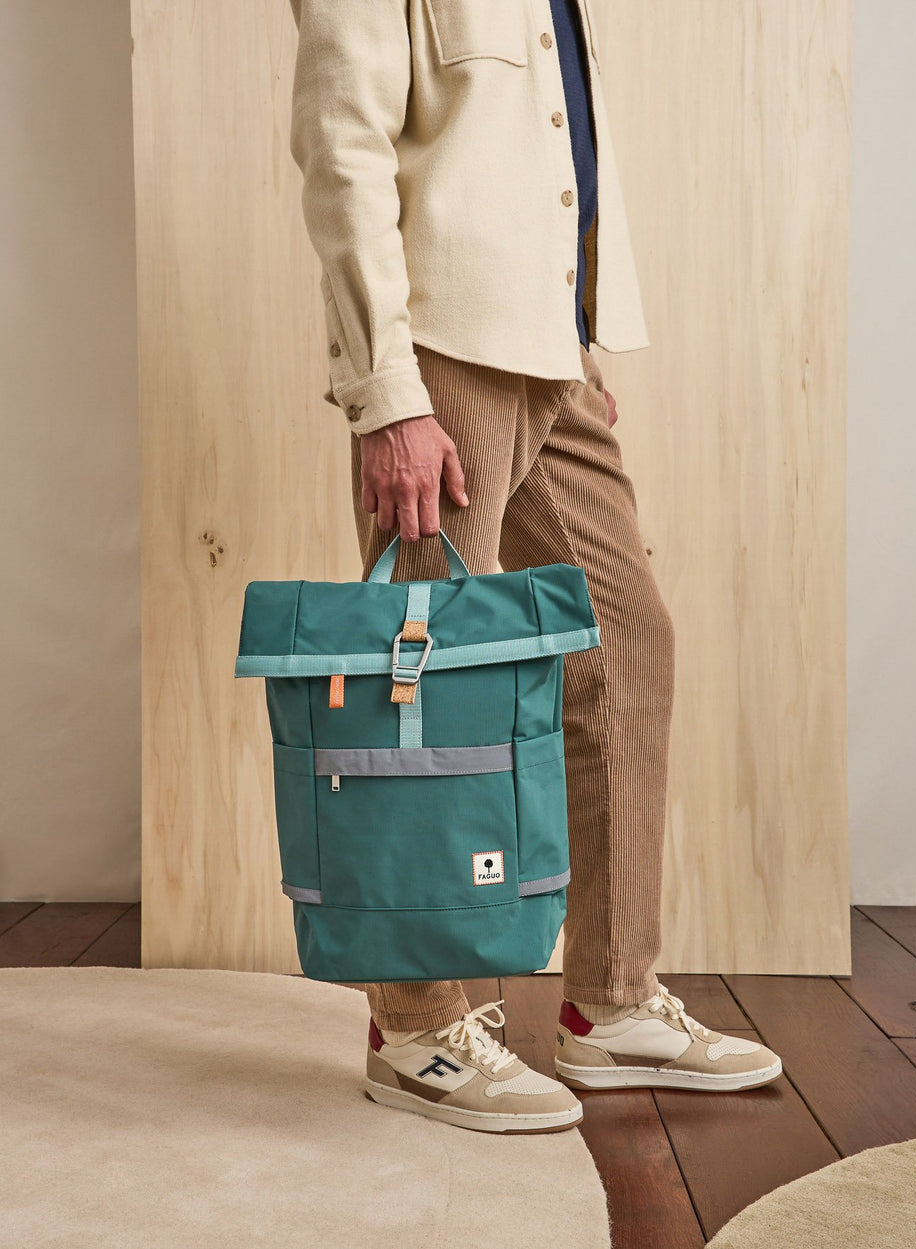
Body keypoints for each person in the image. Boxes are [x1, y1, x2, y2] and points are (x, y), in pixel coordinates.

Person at [287, 0, 783, 1135]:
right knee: (427, 680)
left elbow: (550, 142)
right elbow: (340, 145)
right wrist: (387, 393)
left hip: (549, 350)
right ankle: (413, 1026)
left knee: (626, 639)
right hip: (442, 352)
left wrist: (577, 338)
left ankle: (609, 1001)